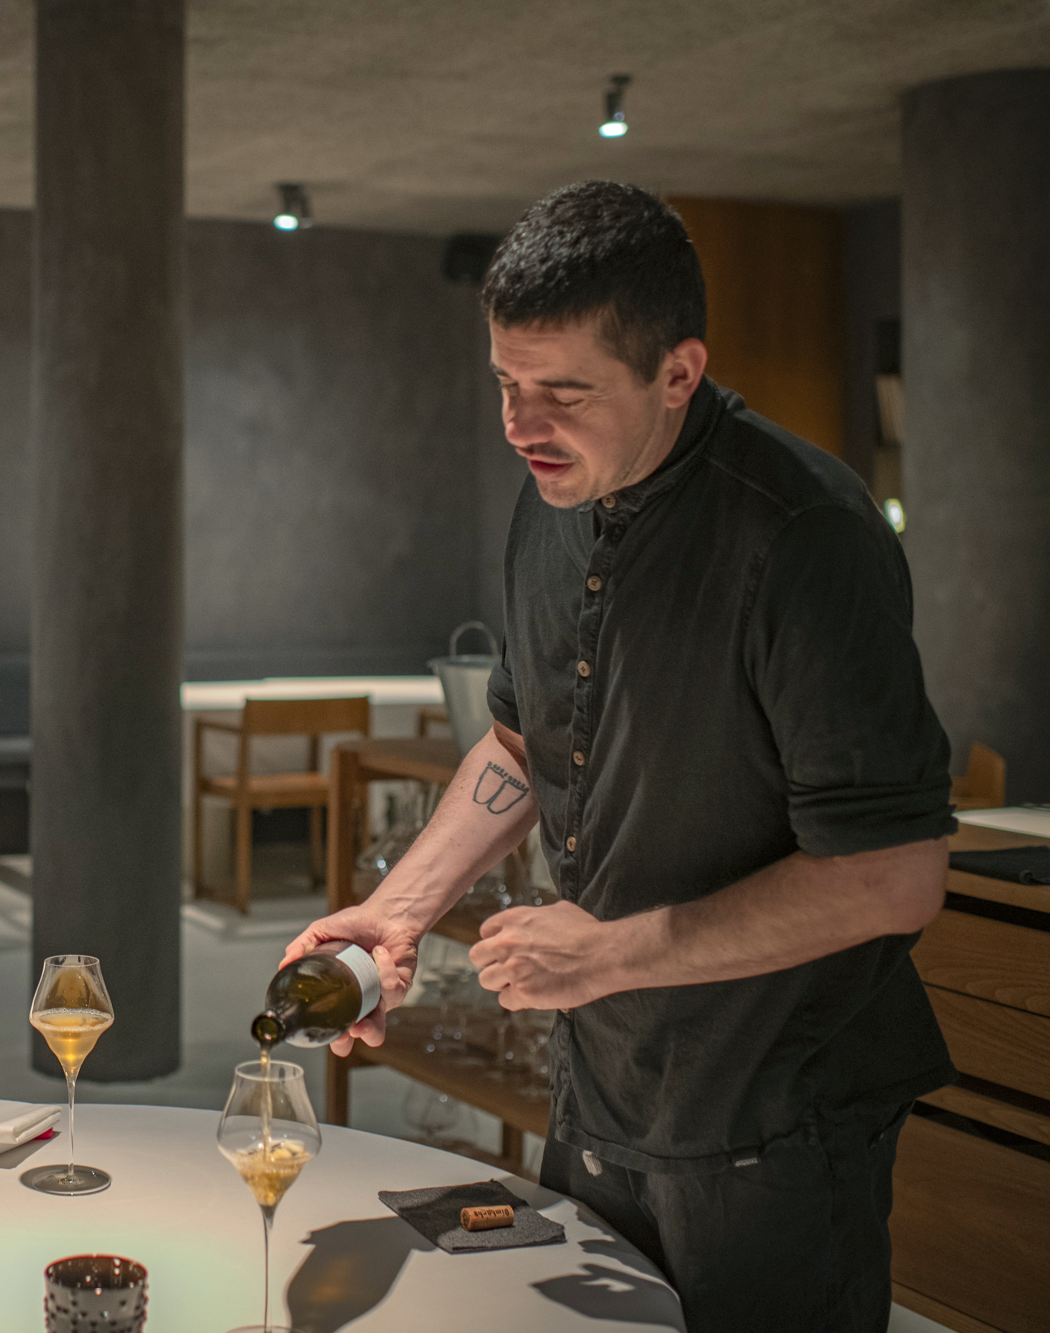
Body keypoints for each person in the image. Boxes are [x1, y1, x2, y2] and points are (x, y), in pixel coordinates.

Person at [285, 181, 955, 1331]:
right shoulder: (544, 504)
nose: (518, 422)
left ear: (677, 374)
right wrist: (398, 908)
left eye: (561, 390)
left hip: (775, 1122)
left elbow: (891, 876)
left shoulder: (805, 540)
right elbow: (516, 740)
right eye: (503, 380)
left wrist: (604, 955)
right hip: (600, 1087)